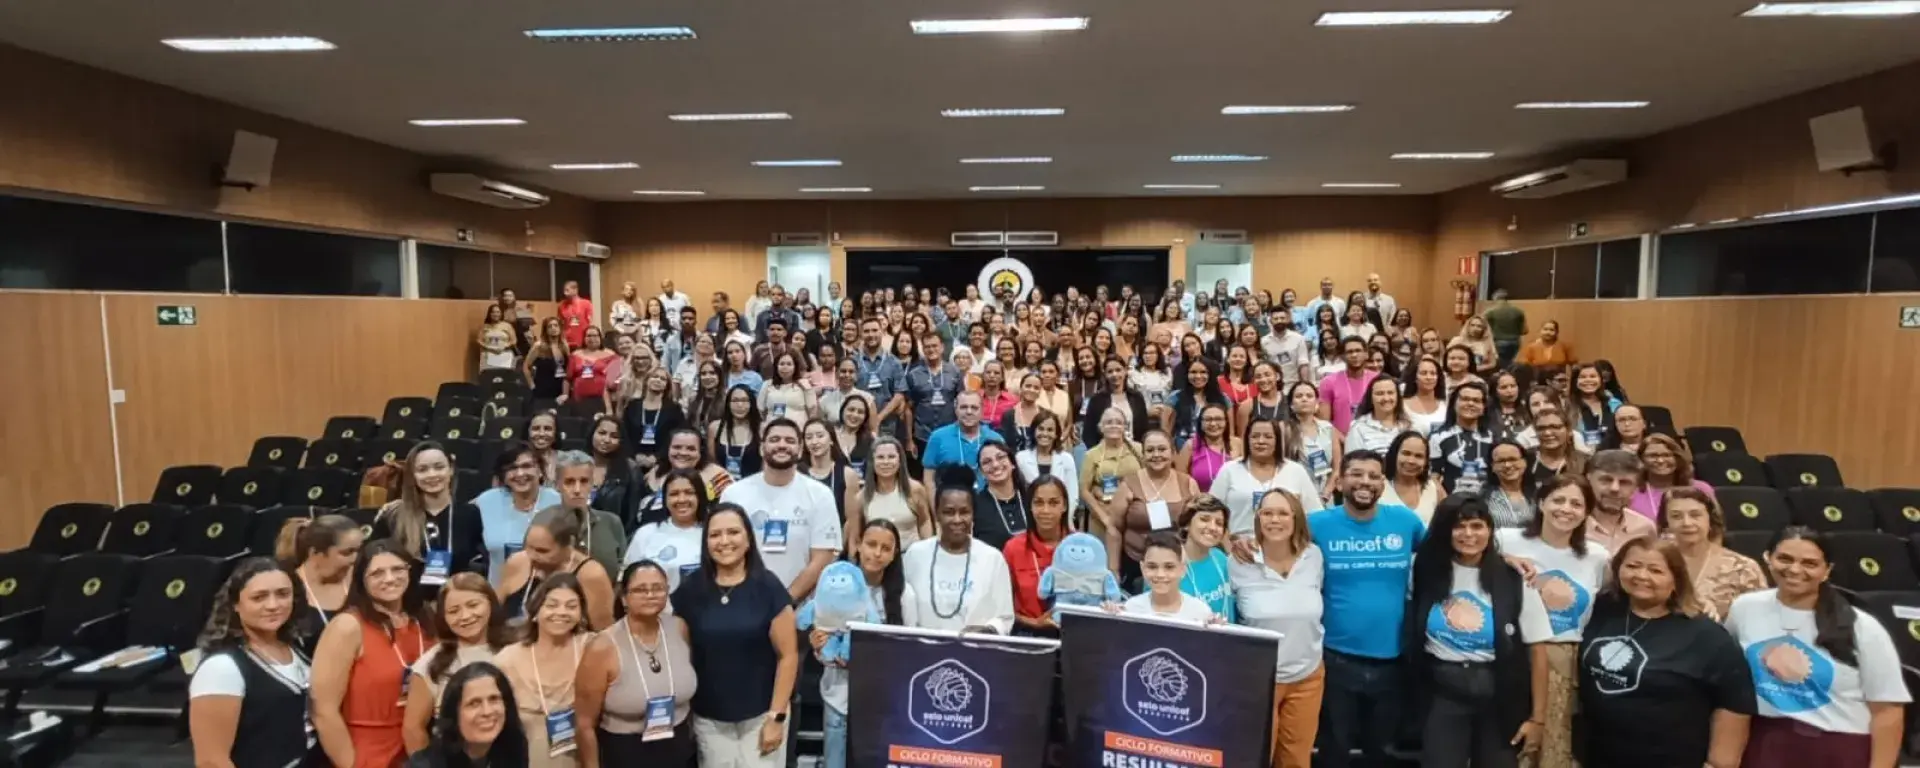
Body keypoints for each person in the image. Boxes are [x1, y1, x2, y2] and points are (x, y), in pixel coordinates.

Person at [1726, 527, 1911, 767]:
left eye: (1810, 563)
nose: (1794, 570)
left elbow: (1887, 710)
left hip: (1838, 748)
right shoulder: (1744, 608)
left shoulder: (1862, 628)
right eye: (1784, 559)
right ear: (1767, 558)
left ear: (1827, 571)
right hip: (1766, 743)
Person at [1577, 537, 1754, 768]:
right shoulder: (1601, 610)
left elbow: (1734, 703)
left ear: (1676, 579)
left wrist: (1719, 764)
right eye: (1632, 566)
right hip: (1599, 756)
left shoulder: (1706, 635)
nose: (1641, 576)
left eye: (1656, 570)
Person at [1406, 495, 1551, 768]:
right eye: (1458, 527)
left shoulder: (1514, 577)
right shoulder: (1424, 569)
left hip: (1499, 696)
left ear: (1489, 530)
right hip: (1442, 693)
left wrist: (1537, 718)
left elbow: (1538, 649)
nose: (1468, 534)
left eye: (1477, 526)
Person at [1308, 451, 1427, 768]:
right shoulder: (1316, 524)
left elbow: (1450, 550)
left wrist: (1506, 558)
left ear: (1383, 483)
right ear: (1341, 479)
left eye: (1374, 476)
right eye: (1356, 474)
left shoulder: (1405, 522)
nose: (1365, 482)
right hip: (1335, 659)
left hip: (1393, 661)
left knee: (1383, 752)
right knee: (1335, 750)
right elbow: (1276, 547)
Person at [671, 503, 800, 767]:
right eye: (715, 534)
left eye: (733, 532)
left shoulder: (768, 587)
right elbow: (681, 656)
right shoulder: (690, 590)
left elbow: (788, 657)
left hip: (762, 718)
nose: (724, 541)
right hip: (709, 720)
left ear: (748, 539)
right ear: (706, 542)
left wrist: (776, 718)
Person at [1494, 475, 1608, 768]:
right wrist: (1503, 559)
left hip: (1567, 658)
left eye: (1576, 503)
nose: (1566, 509)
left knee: (1555, 748)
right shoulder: (1506, 539)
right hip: (1513, 654)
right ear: (1541, 503)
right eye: (1558, 500)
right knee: (1507, 743)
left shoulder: (1598, 556)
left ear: (1586, 512)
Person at [189, 558, 320, 768]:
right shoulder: (221, 668)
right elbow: (211, 761)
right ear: (236, 605)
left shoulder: (296, 648)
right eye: (259, 597)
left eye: (283, 594)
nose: (273, 605)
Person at [1227, 489, 1324, 768]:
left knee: (1296, 758)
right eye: (1267, 513)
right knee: (1254, 757)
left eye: (1283, 513)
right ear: (1257, 518)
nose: (1275, 520)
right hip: (1258, 680)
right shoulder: (1237, 562)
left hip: (1308, 676)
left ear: (1296, 518)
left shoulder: (1313, 557)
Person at [312, 540, 429, 768]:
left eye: (397, 569)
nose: (389, 579)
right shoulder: (347, 626)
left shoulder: (424, 620)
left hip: (421, 746)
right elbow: (323, 711)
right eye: (377, 573)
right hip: (368, 754)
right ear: (361, 581)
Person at [576, 562, 699, 767]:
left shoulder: (679, 628)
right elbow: (584, 723)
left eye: (658, 588)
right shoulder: (602, 647)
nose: (650, 595)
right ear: (624, 598)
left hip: (680, 750)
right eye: (641, 590)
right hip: (626, 752)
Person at [817, 520, 918, 768]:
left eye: (886, 548)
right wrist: (819, 645)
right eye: (871, 544)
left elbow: (910, 648)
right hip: (838, 696)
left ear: (895, 554)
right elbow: (822, 641)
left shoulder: (904, 595)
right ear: (859, 545)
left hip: (882, 702)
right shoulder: (834, 583)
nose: (877, 553)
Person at [719, 418, 843, 601]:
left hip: (800, 608)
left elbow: (822, 558)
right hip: (743, 603)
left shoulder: (821, 495)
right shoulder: (734, 494)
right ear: (762, 448)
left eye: (790, 441)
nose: (782, 445)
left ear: (801, 450)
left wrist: (785, 604)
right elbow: (724, 550)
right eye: (775, 439)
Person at [403, 575, 511, 754]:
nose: (465, 616)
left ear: (490, 603)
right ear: (443, 617)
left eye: (473, 605)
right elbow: (413, 730)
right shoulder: (431, 664)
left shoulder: (517, 648)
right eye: (454, 611)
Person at [491, 572, 591, 768]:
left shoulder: (593, 650)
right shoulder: (507, 660)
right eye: (552, 605)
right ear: (535, 611)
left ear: (581, 614)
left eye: (571, 606)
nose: (561, 612)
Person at [902, 467, 1017, 633]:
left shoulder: (992, 558)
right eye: (948, 512)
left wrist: (988, 630)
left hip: (975, 652)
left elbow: (1004, 617)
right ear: (938, 515)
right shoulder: (916, 555)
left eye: (964, 512)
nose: (957, 520)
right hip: (922, 651)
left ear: (973, 515)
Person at [1109, 431, 1202, 588]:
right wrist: (1113, 570)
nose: (1156, 455)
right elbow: (1114, 528)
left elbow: (1198, 524)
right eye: (1150, 450)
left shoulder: (1188, 484)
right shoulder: (1128, 484)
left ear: (1173, 453)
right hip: (1135, 564)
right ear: (1143, 455)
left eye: (1162, 449)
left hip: (1179, 564)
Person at [500, 506, 617, 630]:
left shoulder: (591, 575)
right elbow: (495, 613)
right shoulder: (517, 562)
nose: (532, 556)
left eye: (542, 551)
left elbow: (604, 633)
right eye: (528, 547)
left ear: (569, 545)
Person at [1660, 487, 1766, 621]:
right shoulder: (1657, 561)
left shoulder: (1743, 568)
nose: (1686, 523)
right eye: (1676, 516)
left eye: (1695, 515)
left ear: (1710, 519)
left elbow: (1760, 618)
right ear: (1666, 522)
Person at [1216, 419, 1324, 540]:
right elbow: (1211, 512)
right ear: (1247, 440)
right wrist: (1229, 546)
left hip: (1286, 549)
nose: (1261, 441)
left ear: (1277, 441)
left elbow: (1315, 515)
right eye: (1255, 436)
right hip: (1240, 548)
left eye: (1268, 437)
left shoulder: (1296, 471)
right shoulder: (1229, 470)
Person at [407, 663, 530, 768]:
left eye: (494, 699)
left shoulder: (514, 749)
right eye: (474, 703)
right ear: (454, 713)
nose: (487, 711)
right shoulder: (425, 765)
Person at [476, 444, 564, 587]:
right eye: (512, 468)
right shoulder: (486, 501)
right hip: (499, 593)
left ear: (540, 471)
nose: (520, 473)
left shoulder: (558, 502)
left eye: (527, 466)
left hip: (546, 594)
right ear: (503, 476)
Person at [279, 514, 363, 649]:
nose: (355, 559)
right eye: (347, 552)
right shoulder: (287, 587)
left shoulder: (362, 579)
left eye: (359, 550)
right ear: (315, 553)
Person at [1006, 475, 1074, 638]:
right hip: (1027, 634)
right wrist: (1035, 623)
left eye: (1053, 503)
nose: (1045, 510)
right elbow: (1001, 608)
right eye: (1038, 503)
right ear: (1030, 506)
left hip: (1074, 636)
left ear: (1064, 506)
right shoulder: (1013, 548)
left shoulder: (1082, 546)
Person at [623, 468, 710, 594]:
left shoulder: (712, 534)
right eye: (674, 494)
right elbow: (628, 580)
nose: (681, 499)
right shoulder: (646, 533)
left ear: (700, 496)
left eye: (689, 492)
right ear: (665, 499)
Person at [554, 444, 630, 579]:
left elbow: (622, 574)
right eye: (569, 482)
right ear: (557, 485)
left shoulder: (612, 523)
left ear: (593, 483)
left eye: (584, 481)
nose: (577, 489)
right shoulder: (542, 522)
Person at [1109, 531, 1218, 621]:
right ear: (1143, 568)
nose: (1160, 574)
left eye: (1169, 567)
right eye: (1152, 567)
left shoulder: (1200, 612)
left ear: (1182, 569)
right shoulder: (1131, 609)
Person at [847, 437, 931, 553]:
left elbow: (924, 522)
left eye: (891, 457)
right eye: (880, 457)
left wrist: (927, 550)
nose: (886, 462)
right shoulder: (861, 498)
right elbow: (855, 538)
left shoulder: (915, 489)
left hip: (911, 555)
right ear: (872, 461)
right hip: (878, 559)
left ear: (900, 461)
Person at [919, 390, 1005, 491]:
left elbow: (1004, 476)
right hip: (950, 503)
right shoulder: (938, 437)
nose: (969, 412)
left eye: (974, 408)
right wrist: (936, 506)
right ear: (956, 410)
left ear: (982, 411)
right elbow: (929, 479)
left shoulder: (995, 439)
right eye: (964, 407)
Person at [1174, 495, 1236, 620]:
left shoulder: (1221, 559)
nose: (1213, 527)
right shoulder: (1168, 566)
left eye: (1219, 523)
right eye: (1204, 519)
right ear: (1186, 524)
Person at [1584, 450, 1657, 551]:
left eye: (1624, 483)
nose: (1615, 488)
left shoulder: (1645, 528)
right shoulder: (1570, 525)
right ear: (1588, 480)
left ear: (1635, 488)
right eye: (1606, 480)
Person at [1629, 434, 1714, 520]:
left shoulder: (1701, 489)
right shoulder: (1631, 491)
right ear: (1641, 460)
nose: (1660, 461)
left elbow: (1715, 525)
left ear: (1678, 458)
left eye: (1667, 455)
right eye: (1653, 456)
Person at [620, 367, 686, 471]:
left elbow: (676, 436)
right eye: (654, 377)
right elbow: (624, 433)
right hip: (633, 462)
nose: (658, 380)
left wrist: (657, 457)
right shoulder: (632, 406)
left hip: (663, 463)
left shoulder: (674, 409)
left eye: (662, 379)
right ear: (647, 381)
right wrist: (634, 456)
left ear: (667, 386)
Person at [1287, 383, 1344, 502]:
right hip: (1296, 495)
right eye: (1299, 396)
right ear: (1291, 405)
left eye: (1309, 396)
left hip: (1326, 496)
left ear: (1317, 403)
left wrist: (1326, 493)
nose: (1304, 399)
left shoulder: (1328, 428)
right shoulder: (1284, 430)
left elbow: (1337, 467)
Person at [1014, 409, 1079, 510]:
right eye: (1041, 428)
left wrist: (1067, 521)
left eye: (1050, 430)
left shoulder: (1066, 459)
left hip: (1059, 517)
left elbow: (1072, 495)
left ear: (1056, 434)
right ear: (1034, 431)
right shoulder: (1020, 458)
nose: (1045, 433)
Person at [972, 440, 1030, 550]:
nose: (995, 465)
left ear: (1012, 463)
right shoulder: (974, 505)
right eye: (987, 462)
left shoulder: (1033, 496)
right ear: (982, 472)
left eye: (1000, 457)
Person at [1316, 337, 1378, 436]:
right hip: (1341, 441)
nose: (1354, 355)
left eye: (1358, 351)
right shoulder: (1328, 382)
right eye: (1349, 352)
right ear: (1342, 356)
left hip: (1373, 439)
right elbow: (1324, 423)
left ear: (1366, 354)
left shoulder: (1377, 379)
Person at [1178, 403, 1238, 494]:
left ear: (1226, 422)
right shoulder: (1190, 445)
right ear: (1200, 423)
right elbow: (1180, 481)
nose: (1213, 424)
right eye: (1208, 419)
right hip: (1202, 503)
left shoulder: (1238, 444)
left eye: (1218, 419)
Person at [1524, 408, 1588, 486]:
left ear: (1569, 431)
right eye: (1541, 428)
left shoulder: (1585, 462)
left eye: (1555, 427)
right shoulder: (1524, 458)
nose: (1547, 433)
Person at [709, 385, 763, 478]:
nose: (740, 405)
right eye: (735, 400)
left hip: (753, 484)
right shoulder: (715, 427)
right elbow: (712, 462)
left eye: (744, 400)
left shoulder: (762, 428)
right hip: (722, 483)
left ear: (752, 403)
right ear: (728, 403)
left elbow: (765, 464)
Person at [564, 327, 618, 419]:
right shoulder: (575, 355)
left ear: (600, 338)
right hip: (579, 399)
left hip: (603, 399)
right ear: (584, 338)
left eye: (595, 335)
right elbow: (568, 378)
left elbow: (615, 380)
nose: (592, 338)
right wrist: (565, 394)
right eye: (588, 336)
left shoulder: (611, 355)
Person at [1481, 439, 1534, 529]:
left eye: (1512, 459)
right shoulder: (1482, 497)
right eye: (1501, 461)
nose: (1507, 465)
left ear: (1524, 462)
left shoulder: (1538, 495)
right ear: (1492, 466)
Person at [525, 318, 570, 411]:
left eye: (556, 325)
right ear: (545, 330)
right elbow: (526, 366)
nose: (553, 328)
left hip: (560, 387)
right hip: (543, 388)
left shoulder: (564, 345)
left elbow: (568, 367)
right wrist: (532, 385)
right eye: (550, 326)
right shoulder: (539, 346)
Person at [1570, 364, 1616, 449]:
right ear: (1575, 381)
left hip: (1610, 454)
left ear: (1600, 380)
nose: (1588, 380)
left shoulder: (1614, 403)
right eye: (1583, 377)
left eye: (1593, 376)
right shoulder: (1566, 405)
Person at [1480, 291, 1527, 369]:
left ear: (1495, 298)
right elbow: (1525, 330)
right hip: (1514, 343)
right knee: (1509, 364)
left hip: (1497, 341)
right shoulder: (1518, 311)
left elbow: (1480, 326)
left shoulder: (1490, 312)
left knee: (1497, 365)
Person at [479, 305, 519, 374]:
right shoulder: (484, 326)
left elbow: (514, 341)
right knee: (488, 378)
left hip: (504, 355)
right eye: (493, 312)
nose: (495, 314)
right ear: (489, 314)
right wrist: (488, 347)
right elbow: (478, 340)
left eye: (498, 312)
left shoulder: (507, 326)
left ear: (501, 314)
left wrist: (504, 347)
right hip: (488, 356)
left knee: (504, 378)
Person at [558, 281, 595, 348]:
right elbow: (560, 323)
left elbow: (590, 322)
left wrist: (590, 338)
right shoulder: (561, 305)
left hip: (582, 340)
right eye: (564, 290)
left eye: (567, 290)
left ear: (575, 290)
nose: (565, 293)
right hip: (567, 341)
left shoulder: (586, 303)